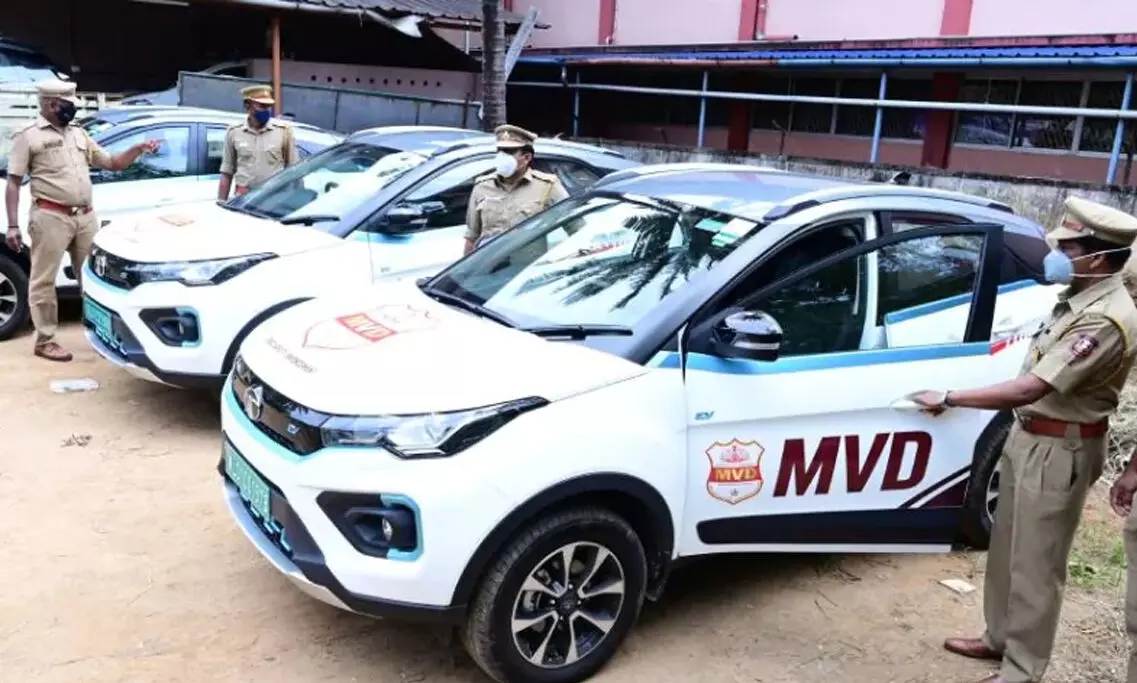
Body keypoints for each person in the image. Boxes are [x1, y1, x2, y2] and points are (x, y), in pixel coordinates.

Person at [910, 196, 1137, 683]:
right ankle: (998, 638)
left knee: (1037, 564)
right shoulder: (1077, 297)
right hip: (1029, 437)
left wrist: (950, 397)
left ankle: (1022, 668)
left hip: (1061, 448)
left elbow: (1034, 387)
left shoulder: (1105, 318)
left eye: (1068, 248)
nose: (1056, 255)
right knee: (1007, 549)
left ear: (1098, 258)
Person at [5, 78, 159, 362]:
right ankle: (45, 340)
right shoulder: (28, 136)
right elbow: (13, 182)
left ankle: (101, 332)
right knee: (43, 281)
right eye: (67, 105)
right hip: (50, 217)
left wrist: (137, 149)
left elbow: (112, 163)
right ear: (51, 104)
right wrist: (12, 225)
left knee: (94, 278)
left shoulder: (78, 133)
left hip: (85, 216)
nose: (72, 110)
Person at [464, 124, 569, 254]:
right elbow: (472, 237)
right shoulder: (482, 186)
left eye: (509, 152)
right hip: (490, 264)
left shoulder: (547, 186)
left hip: (526, 264)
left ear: (527, 158)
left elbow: (575, 226)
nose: (502, 156)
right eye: (500, 150)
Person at [217, 84, 297, 200]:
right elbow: (227, 172)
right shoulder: (234, 132)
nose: (267, 110)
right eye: (262, 106)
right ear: (247, 105)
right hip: (243, 198)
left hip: (273, 198)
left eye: (269, 106)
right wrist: (221, 202)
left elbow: (294, 170)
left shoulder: (283, 131)